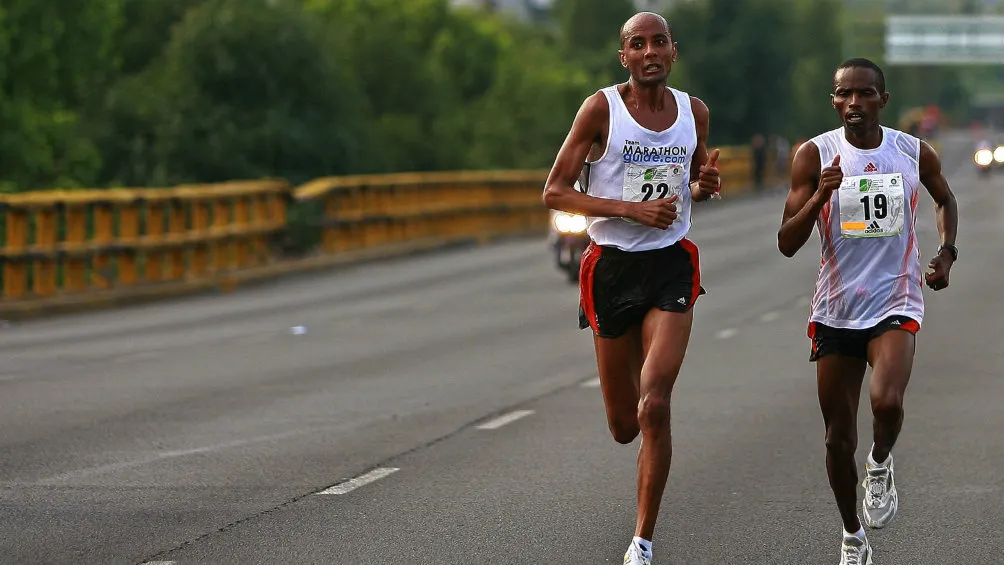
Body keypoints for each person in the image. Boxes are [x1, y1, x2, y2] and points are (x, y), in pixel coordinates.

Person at [542, 11, 721, 565]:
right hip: (611, 267)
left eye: (658, 42)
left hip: (670, 264)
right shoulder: (602, 109)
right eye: (637, 44)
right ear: (625, 56)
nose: (649, 52)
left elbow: (691, 177)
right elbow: (554, 191)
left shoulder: (694, 112)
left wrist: (703, 184)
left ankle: (641, 542)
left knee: (656, 404)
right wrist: (628, 209)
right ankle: (636, 437)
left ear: (672, 51)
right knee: (624, 426)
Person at [778, 58, 959, 564]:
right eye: (842, 94)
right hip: (836, 308)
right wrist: (820, 194)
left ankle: (880, 465)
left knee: (886, 403)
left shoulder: (911, 151)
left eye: (863, 94)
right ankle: (853, 535)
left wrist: (946, 253)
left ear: (883, 99)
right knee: (837, 440)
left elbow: (945, 199)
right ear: (833, 101)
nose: (852, 103)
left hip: (895, 298)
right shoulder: (814, 155)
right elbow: (786, 242)